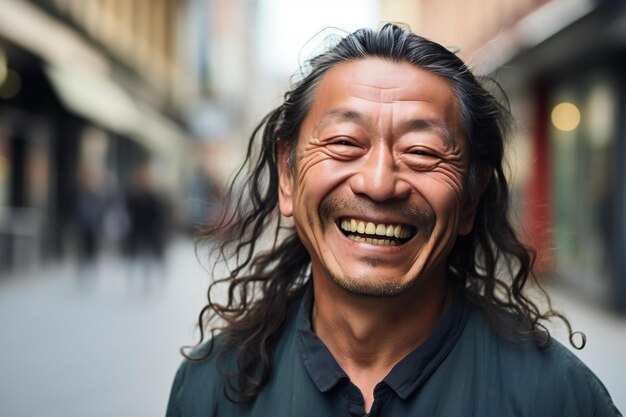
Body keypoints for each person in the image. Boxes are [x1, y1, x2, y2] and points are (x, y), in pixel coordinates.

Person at [166, 24, 621, 416]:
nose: (379, 184)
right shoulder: (212, 389)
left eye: (422, 152)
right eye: (345, 143)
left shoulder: (558, 399)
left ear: (470, 197)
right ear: (287, 175)